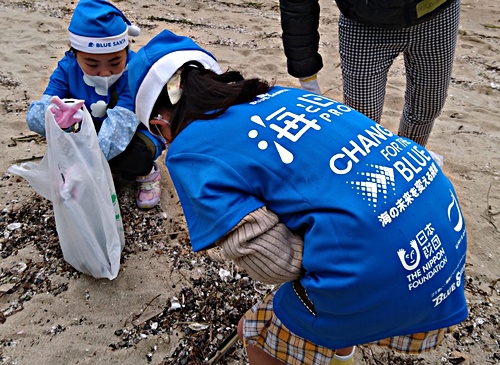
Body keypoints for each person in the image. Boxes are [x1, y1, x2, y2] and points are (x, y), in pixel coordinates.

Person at [127, 30, 468, 365]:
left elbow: (272, 263)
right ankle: (337, 345)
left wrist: (318, 243)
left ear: (158, 125)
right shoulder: (281, 95)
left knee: (255, 333)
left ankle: (334, 332)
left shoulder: (188, 150)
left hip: (383, 272)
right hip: (446, 238)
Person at [26, 0, 165, 209]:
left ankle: (148, 173)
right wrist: (54, 116)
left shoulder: (134, 72)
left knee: (134, 158)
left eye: (115, 62)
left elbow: (121, 125)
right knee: (71, 141)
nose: (105, 72)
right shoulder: (67, 68)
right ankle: (100, 165)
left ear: (126, 51)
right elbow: (36, 115)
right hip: (95, 130)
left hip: (134, 133)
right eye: (92, 64)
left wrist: (84, 167)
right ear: (74, 53)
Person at [279, 0, 461, 148]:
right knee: (362, 121)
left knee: (427, 109)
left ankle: (411, 161)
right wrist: (305, 71)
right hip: (363, 22)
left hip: (437, 13)